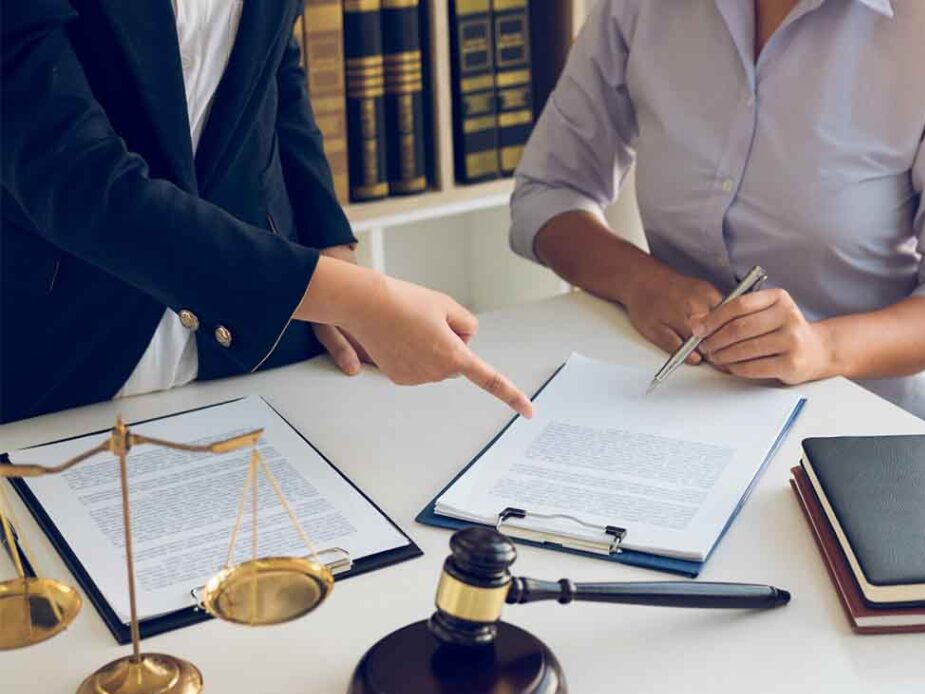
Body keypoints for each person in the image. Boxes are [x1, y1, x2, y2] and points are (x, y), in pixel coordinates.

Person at [510, 0, 925, 445]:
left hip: (892, 434)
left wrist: (822, 348)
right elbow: (548, 192)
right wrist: (640, 281)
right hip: (696, 413)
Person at [1, 0, 532, 423]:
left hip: (260, 359)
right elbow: (76, 180)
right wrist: (358, 299)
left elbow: (275, 68)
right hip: (61, 361)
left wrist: (332, 248)